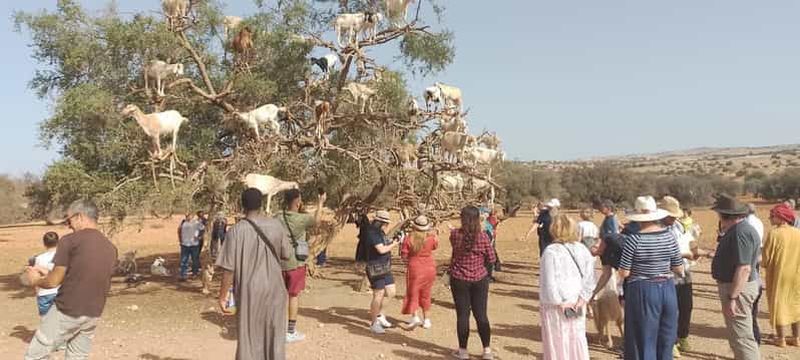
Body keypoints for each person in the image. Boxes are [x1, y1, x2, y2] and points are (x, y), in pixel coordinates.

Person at [23, 199, 118, 360]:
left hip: (67, 309)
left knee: (35, 355)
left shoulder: (70, 241)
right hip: (93, 313)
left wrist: (35, 280)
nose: (68, 225)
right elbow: (84, 275)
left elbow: (53, 281)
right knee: (77, 356)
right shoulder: (110, 247)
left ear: (80, 216)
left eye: (69, 220)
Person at [217, 188, 292, 359]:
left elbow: (229, 269)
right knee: (275, 335)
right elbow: (286, 254)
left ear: (242, 205)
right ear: (261, 204)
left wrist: (222, 296)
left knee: (249, 337)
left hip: (249, 291)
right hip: (275, 289)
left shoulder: (236, 231)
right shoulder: (276, 225)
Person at [618, 196, 684, 360]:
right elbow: (679, 268)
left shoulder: (633, 239)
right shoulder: (669, 236)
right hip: (667, 288)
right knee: (666, 337)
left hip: (643, 289)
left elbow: (624, 272)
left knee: (643, 338)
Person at [710, 194, 761, 360]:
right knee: (738, 336)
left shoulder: (741, 232)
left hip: (737, 288)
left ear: (724, 215)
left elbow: (744, 268)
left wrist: (733, 296)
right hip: (738, 286)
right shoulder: (740, 230)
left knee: (742, 338)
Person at [540, 214, 595, 360]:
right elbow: (590, 278)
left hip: (556, 307)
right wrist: (582, 299)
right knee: (576, 339)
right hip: (577, 303)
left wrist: (559, 302)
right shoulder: (583, 249)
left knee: (558, 342)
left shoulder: (551, 251)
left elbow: (549, 282)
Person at [278, 188, 326, 343]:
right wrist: (320, 203)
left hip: (279, 262)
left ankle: (275, 328)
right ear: (298, 202)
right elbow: (317, 221)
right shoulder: (301, 219)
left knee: (279, 297)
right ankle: (290, 331)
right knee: (293, 296)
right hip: (296, 262)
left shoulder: (277, 217)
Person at [449, 206, 497, 360]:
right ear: (477, 219)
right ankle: (487, 350)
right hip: (479, 279)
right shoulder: (483, 237)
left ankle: (463, 351)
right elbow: (492, 258)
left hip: (459, 278)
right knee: (481, 315)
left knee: (462, 315)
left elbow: (455, 252)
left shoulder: (455, 234)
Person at [360, 210, 406, 334]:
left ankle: (380, 315)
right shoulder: (371, 232)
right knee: (378, 295)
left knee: (391, 292)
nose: (386, 225)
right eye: (384, 222)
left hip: (385, 266)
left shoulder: (379, 232)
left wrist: (393, 241)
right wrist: (396, 244)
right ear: (379, 221)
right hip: (375, 267)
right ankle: (374, 323)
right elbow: (381, 249)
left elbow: (384, 244)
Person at [762, 203, 800, 347]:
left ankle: (781, 338)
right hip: (796, 276)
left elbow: (765, 260)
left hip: (779, 276)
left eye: (772, 216)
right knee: (796, 305)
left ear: (781, 217)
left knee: (779, 305)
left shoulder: (774, 234)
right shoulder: (798, 233)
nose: (770, 218)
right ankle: (796, 338)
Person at [661, 196, 695, 356]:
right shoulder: (657, 229)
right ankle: (671, 341)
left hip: (685, 271)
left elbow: (690, 242)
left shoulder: (680, 226)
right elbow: (664, 253)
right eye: (671, 215)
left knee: (686, 306)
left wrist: (696, 251)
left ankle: (683, 336)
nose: (674, 218)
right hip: (667, 273)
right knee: (670, 309)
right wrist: (684, 255)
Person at [400, 215, 438, 329]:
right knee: (426, 293)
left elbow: (404, 255)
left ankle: (415, 316)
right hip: (429, 267)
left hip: (415, 267)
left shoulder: (409, 238)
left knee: (413, 292)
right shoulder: (431, 238)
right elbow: (435, 246)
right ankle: (427, 319)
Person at [745, 203, 766, 346]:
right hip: (757, 252)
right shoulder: (759, 221)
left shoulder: (746, 223)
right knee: (755, 274)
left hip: (750, 254)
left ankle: (752, 338)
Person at [32, 232, 60, 317]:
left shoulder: (39, 259)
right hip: (59, 292)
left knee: (45, 321)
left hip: (44, 293)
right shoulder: (62, 256)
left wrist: (37, 292)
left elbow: (36, 277)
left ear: (44, 243)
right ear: (58, 242)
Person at [178, 212, 205, 281]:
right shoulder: (183, 222)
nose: (187, 217)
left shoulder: (197, 223)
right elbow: (179, 230)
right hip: (185, 244)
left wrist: (199, 237)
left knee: (195, 259)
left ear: (192, 216)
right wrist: (180, 240)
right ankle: (183, 275)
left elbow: (203, 229)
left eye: (189, 215)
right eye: (186, 215)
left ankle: (194, 273)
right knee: (184, 260)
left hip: (194, 244)